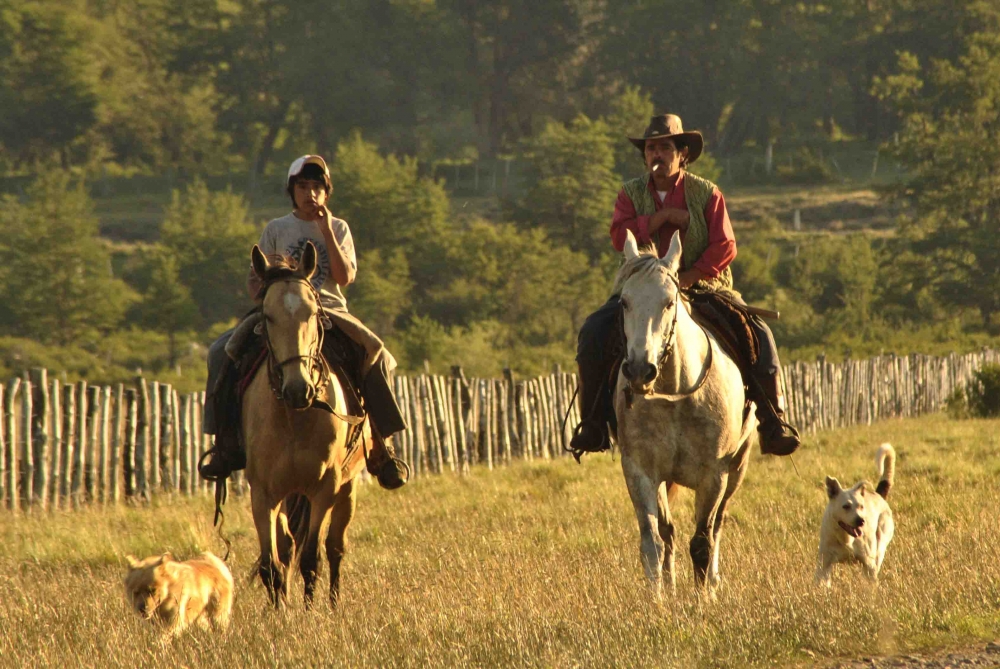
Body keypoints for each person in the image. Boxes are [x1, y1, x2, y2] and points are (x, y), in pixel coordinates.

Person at [569, 114, 800, 457]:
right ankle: (593, 424)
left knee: (759, 334)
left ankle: (771, 420)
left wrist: (687, 278)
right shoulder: (629, 194)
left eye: (665, 147)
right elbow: (620, 236)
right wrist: (660, 219)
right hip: (642, 290)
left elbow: (725, 246)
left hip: (704, 286)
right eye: (651, 148)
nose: (657, 155)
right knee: (592, 333)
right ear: (645, 155)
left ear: (682, 154)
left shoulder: (707, 193)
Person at [198, 155, 409, 489]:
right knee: (220, 351)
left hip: (329, 311)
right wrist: (271, 283)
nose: (310, 194)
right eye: (303, 187)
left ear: (327, 193)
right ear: (291, 190)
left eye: (317, 187)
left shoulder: (339, 228)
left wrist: (325, 231)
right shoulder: (276, 229)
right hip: (280, 311)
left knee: (377, 354)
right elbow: (255, 285)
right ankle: (224, 444)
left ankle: (382, 448)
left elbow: (344, 276)